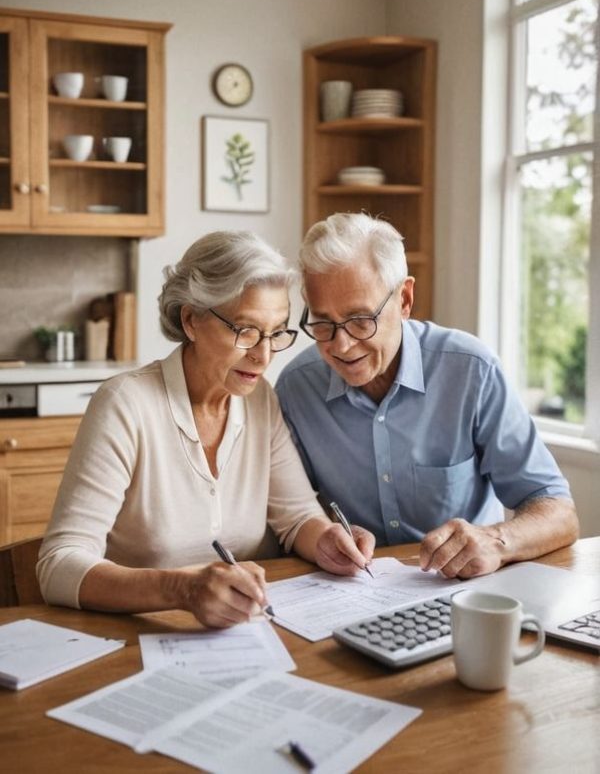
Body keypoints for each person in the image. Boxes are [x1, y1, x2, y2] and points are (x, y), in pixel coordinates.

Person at [37, 230, 375, 628]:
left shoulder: (259, 399)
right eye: (246, 330)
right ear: (191, 319)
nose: (264, 355)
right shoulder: (126, 404)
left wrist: (328, 541)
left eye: (276, 332)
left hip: (244, 632)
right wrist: (182, 590)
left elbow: (297, 516)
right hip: (135, 638)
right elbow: (58, 564)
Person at [276, 213, 579, 580]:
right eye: (323, 323)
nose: (341, 345)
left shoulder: (470, 370)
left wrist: (496, 540)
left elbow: (559, 511)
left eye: (360, 320)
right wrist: (325, 535)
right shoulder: (296, 388)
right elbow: (293, 512)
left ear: (404, 299)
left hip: (466, 591)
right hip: (355, 591)